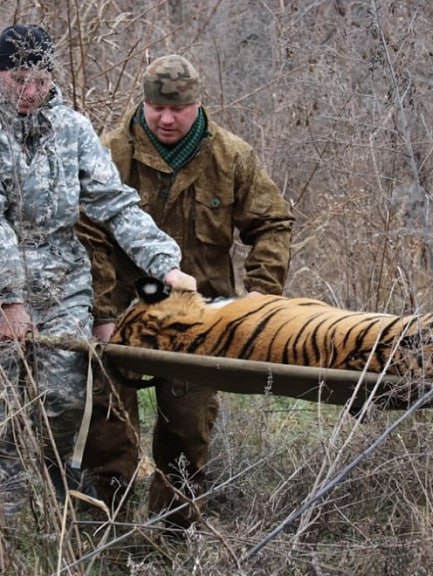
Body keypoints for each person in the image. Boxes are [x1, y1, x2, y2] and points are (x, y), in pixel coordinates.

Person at [77, 54, 294, 530]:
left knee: (188, 435)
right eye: (157, 108)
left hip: (200, 321)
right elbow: (87, 233)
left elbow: (273, 223)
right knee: (107, 433)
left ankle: (173, 539)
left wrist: (260, 302)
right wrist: (101, 313)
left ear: (198, 103)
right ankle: (105, 537)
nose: (167, 118)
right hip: (120, 316)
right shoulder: (110, 151)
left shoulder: (230, 156)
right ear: (145, 103)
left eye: (179, 108)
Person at [0, 25, 197, 517]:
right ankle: (10, 505)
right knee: (6, 406)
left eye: (40, 79)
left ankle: (44, 497)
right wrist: (8, 298)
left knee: (62, 400)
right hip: (5, 275)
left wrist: (164, 264)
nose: (30, 91)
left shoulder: (72, 129)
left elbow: (115, 203)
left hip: (63, 278)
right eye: (19, 78)